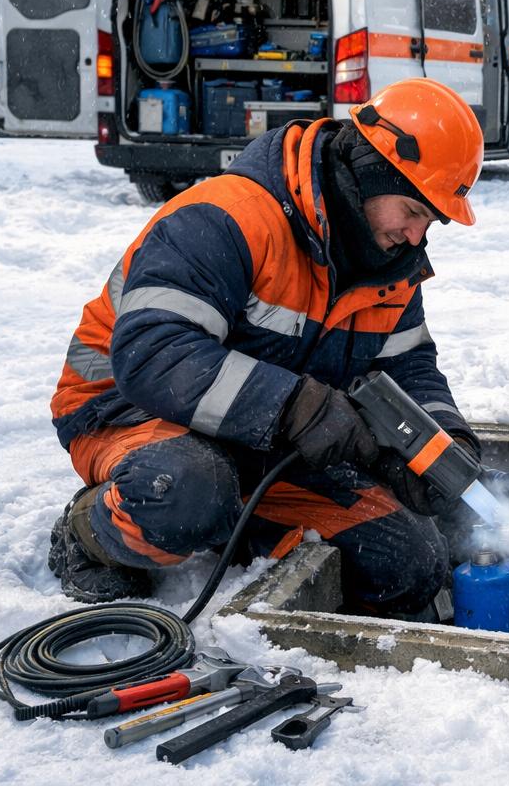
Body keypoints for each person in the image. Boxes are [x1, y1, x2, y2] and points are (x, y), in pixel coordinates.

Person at [47, 78, 485, 609]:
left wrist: (442, 443)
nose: (417, 236)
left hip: (262, 433)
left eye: (430, 221)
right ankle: (91, 533)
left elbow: (409, 367)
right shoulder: (231, 216)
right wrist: (293, 406)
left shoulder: (388, 265)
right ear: (371, 171)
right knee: (185, 494)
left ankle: (236, 515)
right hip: (126, 409)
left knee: (409, 562)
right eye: (412, 212)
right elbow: (154, 353)